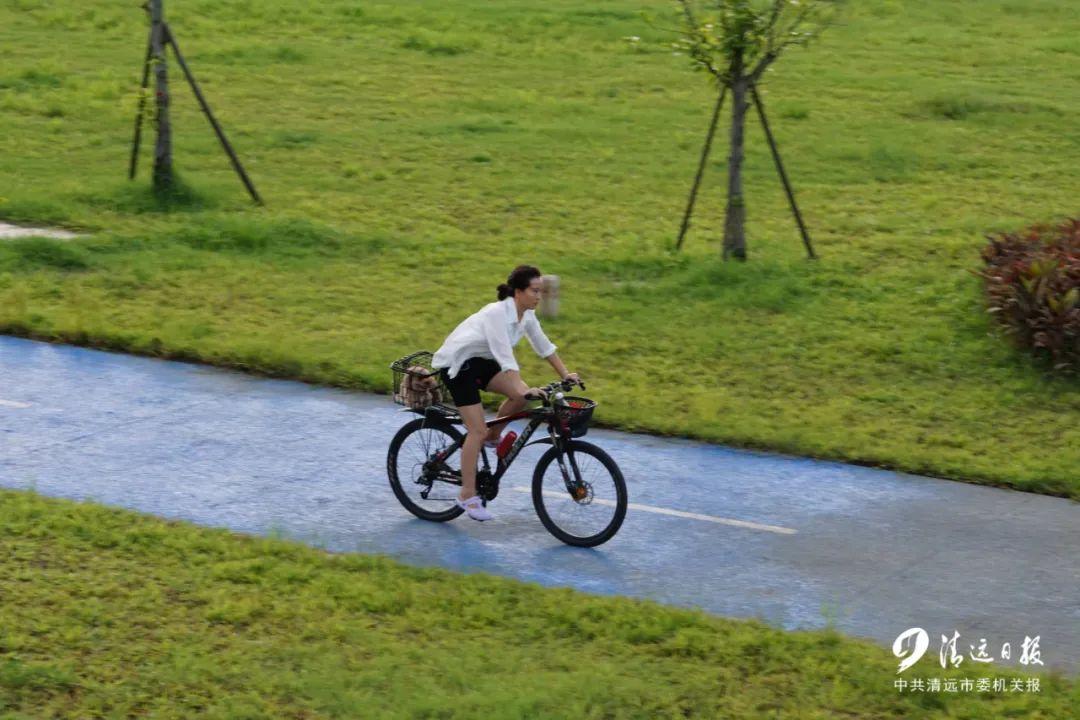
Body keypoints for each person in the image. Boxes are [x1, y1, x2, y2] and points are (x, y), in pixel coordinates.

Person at [432, 265, 579, 521]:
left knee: (520, 398)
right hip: (458, 365)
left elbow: (544, 346)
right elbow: (506, 359)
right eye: (534, 291)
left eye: (541, 291)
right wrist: (525, 387)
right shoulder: (496, 314)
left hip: (481, 361)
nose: (539, 296)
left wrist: (565, 375)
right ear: (518, 292)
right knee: (475, 430)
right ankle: (467, 494)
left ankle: (493, 436)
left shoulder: (526, 316)